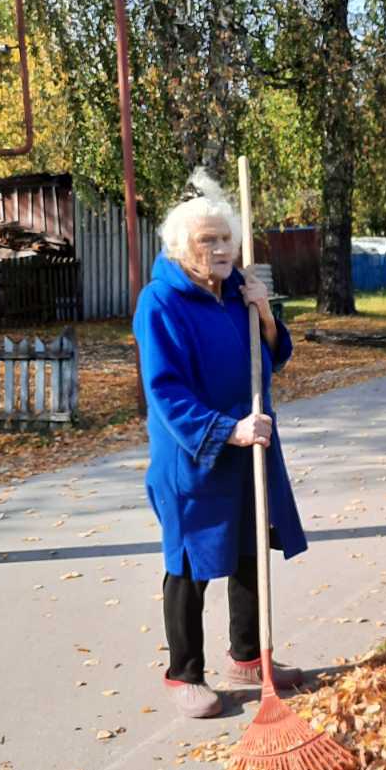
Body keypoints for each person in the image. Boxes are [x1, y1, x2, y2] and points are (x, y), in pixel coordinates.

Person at [133, 169, 307, 717]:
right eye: (207, 240)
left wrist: (264, 313)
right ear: (181, 248)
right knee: (188, 563)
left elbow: (274, 355)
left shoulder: (240, 291)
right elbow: (165, 390)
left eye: (226, 238)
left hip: (249, 444)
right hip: (194, 457)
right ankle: (183, 673)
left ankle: (250, 657)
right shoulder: (160, 302)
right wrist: (226, 430)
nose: (220, 249)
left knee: (250, 549)